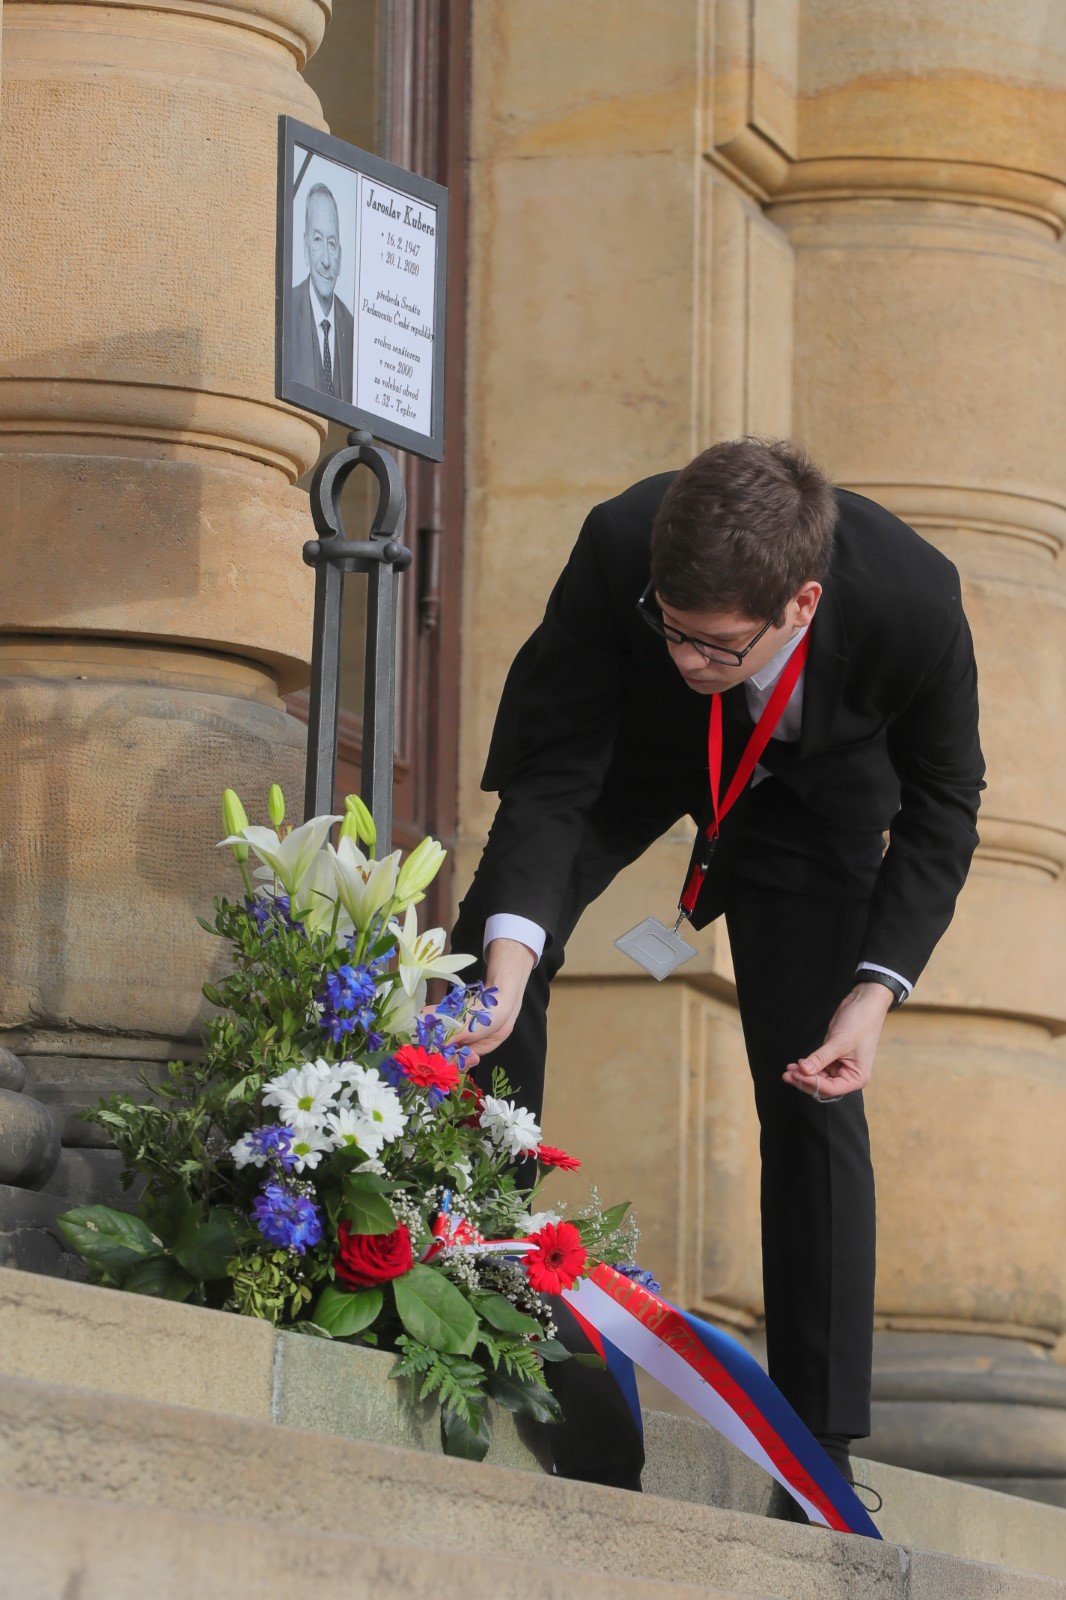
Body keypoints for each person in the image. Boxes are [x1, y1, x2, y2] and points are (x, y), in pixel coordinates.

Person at [449, 436, 984, 1505]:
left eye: (718, 645)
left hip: (811, 800)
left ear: (800, 603)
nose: (691, 656)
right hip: (638, 753)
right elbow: (552, 776)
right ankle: (484, 1310)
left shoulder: (913, 600)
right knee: (487, 960)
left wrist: (872, 996)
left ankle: (816, 1446)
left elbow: (944, 808)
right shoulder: (617, 546)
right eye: (673, 630)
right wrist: (504, 973)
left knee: (812, 1076)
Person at [290, 182, 354, 403]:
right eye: (318, 240)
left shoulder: (353, 330)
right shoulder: (285, 312)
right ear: (305, 247)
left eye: (332, 243)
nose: (326, 260)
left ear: (341, 257)